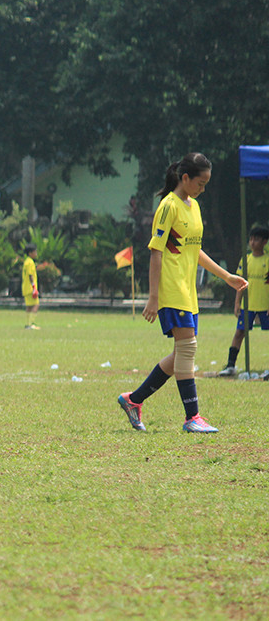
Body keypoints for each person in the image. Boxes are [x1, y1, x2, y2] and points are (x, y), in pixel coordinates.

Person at [117, 152, 248, 434]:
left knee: (180, 355)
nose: (203, 189)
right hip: (171, 288)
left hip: (188, 291)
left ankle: (133, 399)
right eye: (200, 183)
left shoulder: (194, 207)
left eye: (206, 184)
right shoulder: (168, 206)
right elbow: (156, 251)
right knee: (188, 349)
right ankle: (193, 417)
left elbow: (194, 249)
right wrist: (153, 297)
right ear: (185, 178)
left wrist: (226, 276)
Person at [219, 225, 269, 376]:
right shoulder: (245, 260)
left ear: (265, 242)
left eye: (257, 239)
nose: (253, 242)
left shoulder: (267, 260)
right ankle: (230, 365)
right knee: (239, 333)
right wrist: (237, 303)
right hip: (248, 306)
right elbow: (239, 284)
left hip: (264, 305)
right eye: (251, 239)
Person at [22, 244, 40, 329]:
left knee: (29, 306)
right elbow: (30, 275)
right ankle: (31, 323)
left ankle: (28, 323)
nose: (36, 253)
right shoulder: (30, 262)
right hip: (30, 288)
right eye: (34, 252)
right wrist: (34, 288)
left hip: (26, 287)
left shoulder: (26, 261)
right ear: (30, 253)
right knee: (36, 305)